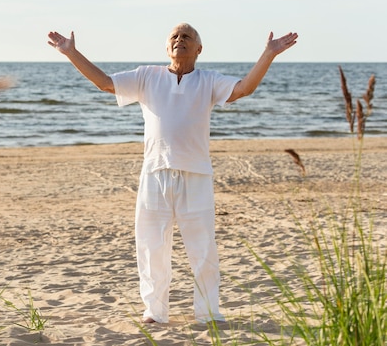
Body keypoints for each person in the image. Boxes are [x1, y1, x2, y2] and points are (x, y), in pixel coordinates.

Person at [47, 23, 298, 324]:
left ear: (198, 49)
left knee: (203, 248)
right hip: (155, 173)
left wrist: (268, 54)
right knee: (151, 245)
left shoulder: (209, 81)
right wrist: (71, 53)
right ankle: (155, 311)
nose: (180, 40)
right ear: (167, 48)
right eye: (174, 37)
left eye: (187, 37)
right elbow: (105, 83)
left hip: (196, 175)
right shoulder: (146, 76)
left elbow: (244, 88)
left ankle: (208, 312)